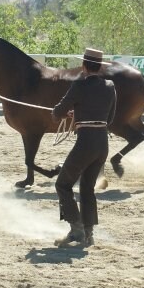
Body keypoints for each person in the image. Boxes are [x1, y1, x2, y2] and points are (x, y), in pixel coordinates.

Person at [52, 48, 117, 247]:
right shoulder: (109, 85)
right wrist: (82, 115)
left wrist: (70, 114)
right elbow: (110, 118)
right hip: (102, 143)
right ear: (99, 66)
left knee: (63, 185)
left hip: (85, 142)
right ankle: (88, 233)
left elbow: (57, 112)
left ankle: (77, 229)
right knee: (87, 188)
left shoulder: (78, 85)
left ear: (84, 66)